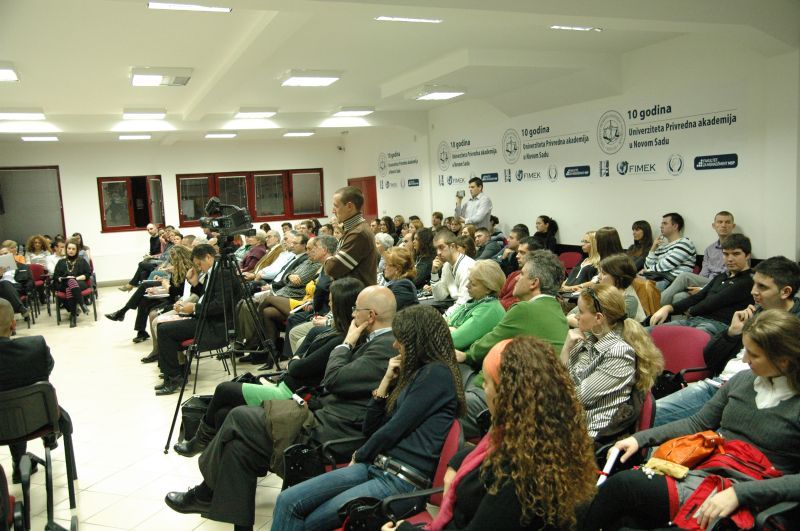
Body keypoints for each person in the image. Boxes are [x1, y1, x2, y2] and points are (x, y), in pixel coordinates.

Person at [164, 286, 398, 530]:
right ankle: (215, 503)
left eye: (356, 310)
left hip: (331, 432)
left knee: (237, 416)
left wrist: (346, 344)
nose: (353, 315)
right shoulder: (372, 340)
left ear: (371, 315)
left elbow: (334, 379)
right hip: (319, 414)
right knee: (238, 449)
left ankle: (205, 491)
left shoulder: (383, 347)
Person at [579, 310, 800, 531]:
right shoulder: (742, 381)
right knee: (623, 492)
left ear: (783, 361)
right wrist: (639, 439)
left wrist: (740, 493)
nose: (744, 360)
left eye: (754, 355)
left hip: (757, 492)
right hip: (709, 473)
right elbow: (696, 423)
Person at [271, 305, 465, 530]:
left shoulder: (436, 375)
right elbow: (371, 428)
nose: (395, 345)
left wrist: (360, 454)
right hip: (378, 467)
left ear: (417, 342)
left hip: (400, 481)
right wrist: (385, 382)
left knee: (304, 519)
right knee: (287, 501)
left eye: (400, 340)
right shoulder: (416, 374)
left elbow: (393, 429)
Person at [385, 337, 597, 531]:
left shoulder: (515, 477)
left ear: (504, 395)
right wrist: (457, 463)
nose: (482, 388)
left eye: (486, 382)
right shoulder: (546, 439)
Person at [173, 278, 364, 457]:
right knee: (223, 412)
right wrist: (296, 361)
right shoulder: (331, 332)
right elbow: (301, 355)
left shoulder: (340, 340)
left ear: (341, 305)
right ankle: (217, 456)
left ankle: (199, 442)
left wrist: (295, 360)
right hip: (286, 386)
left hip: (290, 396)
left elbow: (298, 367)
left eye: (331, 301)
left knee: (224, 390)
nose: (328, 305)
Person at [653, 256, 800, 426]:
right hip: (719, 385)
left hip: (749, 393)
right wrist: (731, 333)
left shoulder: (794, 327)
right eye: (754, 284)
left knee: (650, 419)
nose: (753, 291)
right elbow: (710, 359)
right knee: (647, 414)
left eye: (762, 287)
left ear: (785, 292)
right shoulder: (755, 312)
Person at [457, 250, 568, 438]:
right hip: (532, 400)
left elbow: (483, 347)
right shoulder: (558, 311)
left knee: (437, 409)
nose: (516, 278)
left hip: (502, 398)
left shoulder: (525, 309)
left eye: (522, 274)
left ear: (534, 283)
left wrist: (465, 354)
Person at [560, 284, 663, 439]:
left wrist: (564, 356)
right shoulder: (587, 338)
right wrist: (566, 349)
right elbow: (562, 380)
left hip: (590, 435)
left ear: (598, 318)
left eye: (581, 311)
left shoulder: (619, 353)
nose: (576, 316)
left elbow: (576, 397)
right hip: (569, 421)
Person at [154, 244, 243, 395]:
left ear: (208, 257)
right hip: (207, 319)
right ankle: (175, 372)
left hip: (216, 325)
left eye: (199, 264)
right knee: (162, 325)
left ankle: (174, 377)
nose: (199, 267)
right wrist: (195, 283)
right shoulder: (214, 272)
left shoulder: (223, 273)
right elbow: (207, 296)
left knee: (164, 330)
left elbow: (220, 306)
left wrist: (194, 308)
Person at [0, 298, 58, 484]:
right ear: (13, 324)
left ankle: (19, 462)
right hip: (37, 419)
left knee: (9, 406)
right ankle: (50, 436)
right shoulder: (35, 346)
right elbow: (46, 370)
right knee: (27, 397)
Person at [649, 233, 754, 336]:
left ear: (747, 255)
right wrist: (668, 308)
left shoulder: (749, 280)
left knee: (683, 340)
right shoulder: (722, 277)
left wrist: (690, 311)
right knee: (646, 333)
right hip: (695, 321)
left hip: (717, 325)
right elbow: (698, 296)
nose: (730, 259)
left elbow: (714, 301)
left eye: (736, 254)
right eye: (726, 254)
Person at [105, 245, 196, 343]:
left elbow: (178, 291)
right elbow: (173, 288)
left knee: (144, 284)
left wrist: (165, 286)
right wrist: (158, 290)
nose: (172, 263)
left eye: (174, 261)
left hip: (177, 299)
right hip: (171, 294)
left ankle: (123, 313)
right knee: (143, 298)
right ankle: (139, 330)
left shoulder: (187, 272)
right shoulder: (177, 270)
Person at [660, 210, 737, 305]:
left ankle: (654, 309)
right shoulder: (709, 249)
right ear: (714, 226)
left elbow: (733, 277)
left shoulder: (738, 249)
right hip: (707, 282)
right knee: (679, 296)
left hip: (724, 286)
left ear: (733, 226)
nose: (723, 225)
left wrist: (703, 289)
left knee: (685, 276)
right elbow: (703, 274)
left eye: (727, 222)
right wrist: (699, 288)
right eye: (720, 222)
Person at [324, 186, 379, 288]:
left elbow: (332, 269)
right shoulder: (353, 229)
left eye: (336, 206)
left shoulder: (358, 233)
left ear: (349, 206)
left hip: (355, 294)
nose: (333, 211)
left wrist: (326, 257)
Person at [447, 259, 506, 351]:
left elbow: (454, 340)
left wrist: (448, 328)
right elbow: (445, 321)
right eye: (468, 281)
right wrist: (450, 328)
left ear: (488, 289)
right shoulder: (475, 301)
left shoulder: (489, 310)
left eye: (473, 284)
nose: (467, 286)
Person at [427, 230, 476, 318]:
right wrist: (434, 273)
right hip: (457, 309)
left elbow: (464, 302)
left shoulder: (467, 266)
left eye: (441, 247)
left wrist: (443, 319)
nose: (438, 253)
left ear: (452, 246)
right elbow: (439, 297)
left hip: (470, 311)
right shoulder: (446, 266)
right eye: (436, 249)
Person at [643, 212, 697, 290]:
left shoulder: (684, 242)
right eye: (661, 223)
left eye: (665, 223)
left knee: (641, 284)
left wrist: (647, 271)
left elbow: (667, 264)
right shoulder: (661, 247)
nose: (661, 226)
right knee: (634, 282)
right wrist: (653, 249)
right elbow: (647, 267)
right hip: (660, 279)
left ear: (675, 226)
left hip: (674, 281)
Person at [53, 239, 91, 327]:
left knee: (70, 286)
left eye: (73, 249)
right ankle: (82, 304)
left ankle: (73, 316)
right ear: (66, 249)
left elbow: (88, 274)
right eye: (69, 248)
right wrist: (61, 278)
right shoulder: (61, 262)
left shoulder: (82, 261)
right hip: (64, 284)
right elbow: (55, 276)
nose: (71, 250)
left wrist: (76, 278)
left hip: (79, 283)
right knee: (69, 283)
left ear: (77, 250)